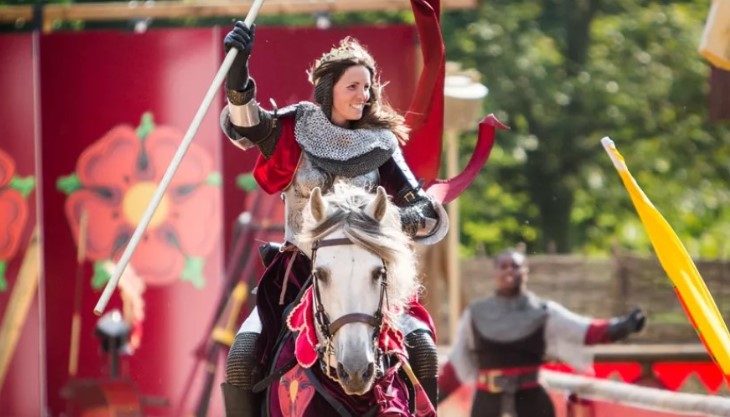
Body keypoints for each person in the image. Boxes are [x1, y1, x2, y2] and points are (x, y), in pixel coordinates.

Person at [218, 21, 448, 416]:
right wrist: (238, 74)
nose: (365, 94)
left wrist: (388, 221)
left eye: (368, 86)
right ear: (330, 90)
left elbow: (423, 209)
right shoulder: (295, 128)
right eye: (354, 86)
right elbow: (246, 125)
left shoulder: (381, 143)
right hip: (297, 271)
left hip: (366, 275)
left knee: (424, 349)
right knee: (241, 356)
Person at [438, 248, 646, 417]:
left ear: (525, 272)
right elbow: (457, 363)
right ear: (496, 272)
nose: (510, 270)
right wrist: (431, 401)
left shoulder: (544, 311)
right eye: (504, 266)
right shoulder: (475, 314)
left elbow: (583, 330)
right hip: (487, 405)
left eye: (516, 266)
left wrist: (621, 327)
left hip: (532, 403)